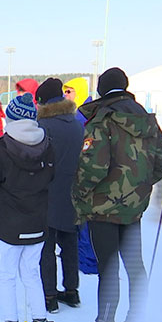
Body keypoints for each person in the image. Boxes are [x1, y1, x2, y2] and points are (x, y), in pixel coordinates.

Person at [71, 67, 162, 322]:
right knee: (135, 265)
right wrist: (138, 185)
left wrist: (78, 194)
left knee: (108, 267)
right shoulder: (146, 119)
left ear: (102, 89)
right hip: (133, 206)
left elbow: (94, 166)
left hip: (103, 207)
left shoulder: (102, 118)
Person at [0, 92, 55, 322]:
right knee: (32, 274)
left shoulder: (3, 147)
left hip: (9, 223)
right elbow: (51, 175)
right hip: (38, 221)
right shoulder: (47, 144)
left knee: (7, 275)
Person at [35, 78, 85, 313]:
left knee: (47, 245)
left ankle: (50, 295)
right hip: (72, 190)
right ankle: (72, 291)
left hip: (48, 190)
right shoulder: (76, 124)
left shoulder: (44, 126)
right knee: (69, 242)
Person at [64, 77, 98, 277]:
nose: (65, 95)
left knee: (84, 220)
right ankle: (80, 256)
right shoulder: (76, 113)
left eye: (69, 92)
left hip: (85, 173)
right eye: (65, 92)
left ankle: (88, 261)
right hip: (76, 172)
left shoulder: (85, 115)